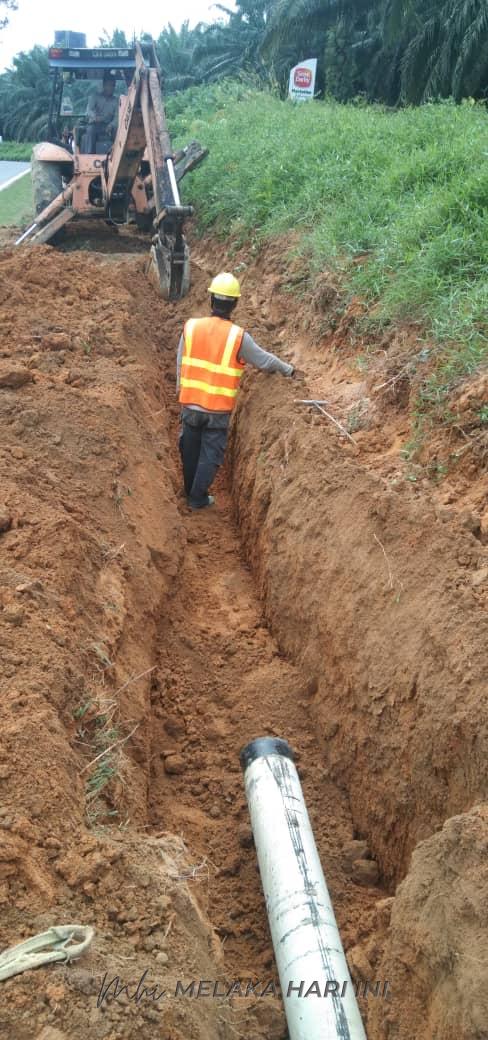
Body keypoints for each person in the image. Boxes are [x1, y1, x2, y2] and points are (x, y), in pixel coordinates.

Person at [177, 271, 304, 510]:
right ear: (235, 304)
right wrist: (289, 370)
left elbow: (180, 361)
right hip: (217, 411)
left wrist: (180, 392)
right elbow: (265, 361)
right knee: (210, 455)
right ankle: (197, 498)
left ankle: (189, 491)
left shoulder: (191, 327)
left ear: (211, 300)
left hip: (190, 404)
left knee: (190, 449)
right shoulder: (238, 337)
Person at [85, 72, 118, 153]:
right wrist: (95, 117)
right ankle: (89, 155)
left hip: (109, 126)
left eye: (113, 86)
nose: (111, 88)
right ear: (104, 85)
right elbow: (88, 110)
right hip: (96, 125)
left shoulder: (116, 101)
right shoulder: (95, 97)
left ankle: (116, 154)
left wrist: (111, 125)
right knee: (90, 129)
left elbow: (117, 117)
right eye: (109, 85)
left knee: (119, 131)